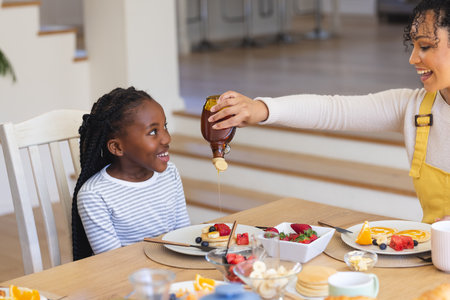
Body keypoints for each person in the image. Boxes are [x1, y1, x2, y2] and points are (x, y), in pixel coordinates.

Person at [208, 0, 450, 224]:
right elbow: (332, 109)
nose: (413, 58)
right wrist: (261, 109)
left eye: (425, 46)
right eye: (414, 45)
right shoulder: (415, 109)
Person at [72, 87, 191, 260]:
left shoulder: (169, 173)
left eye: (164, 127)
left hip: (173, 270)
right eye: (152, 132)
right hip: (131, 281)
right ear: (117, 147)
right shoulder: (94, 195)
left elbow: (182, 236)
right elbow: (114, 262)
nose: (167, 139)